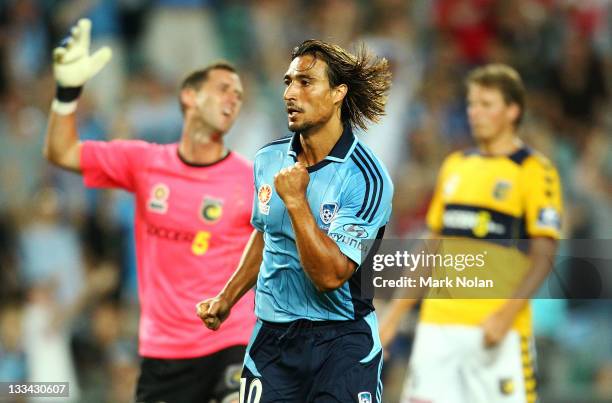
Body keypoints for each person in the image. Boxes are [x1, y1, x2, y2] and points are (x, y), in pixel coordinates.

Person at [45, 18, 256, 403]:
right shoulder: (145, 162)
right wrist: (67, 93)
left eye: (239, 96)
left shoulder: (251, 178)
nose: (233, 100)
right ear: (189, 97)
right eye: (223, 89)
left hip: (233, 339)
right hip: (166, 351)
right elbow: (62, 152)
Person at [197, 40, 393, 402]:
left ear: (338, 93)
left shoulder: (366, 178)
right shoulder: (268, 160)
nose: (290, 93)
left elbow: (330, 276)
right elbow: (266, 234)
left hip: (341, 342)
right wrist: (227, 297)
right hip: (273, 340)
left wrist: (297, 202)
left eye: (305, 82)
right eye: (288, 82)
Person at [379, 64, 563, 403]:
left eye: (486, 104)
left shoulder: (535, 171)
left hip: (495, 330)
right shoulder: (455, 165)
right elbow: (430, 249)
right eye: (471, 103)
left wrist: (506, 314)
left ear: (512, 111)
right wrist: (391, 318)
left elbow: (544, 255)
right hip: (437, 327)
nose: (474, 112)